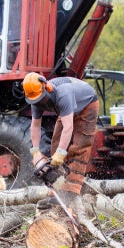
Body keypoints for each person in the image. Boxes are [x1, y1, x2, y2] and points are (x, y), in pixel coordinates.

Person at [22, 72, 99, 208]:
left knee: (79, 146)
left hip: (87, 104)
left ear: (46, 87)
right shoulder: (35, 98)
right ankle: (57, 189)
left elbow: (68, 127)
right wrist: (35, 151)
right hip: (68, 110)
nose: (38, 103)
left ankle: (71, 190)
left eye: (40, 99)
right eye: (35, 101)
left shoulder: (63, 93)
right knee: (56, 144)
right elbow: (35, 125)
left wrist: (61, 153)